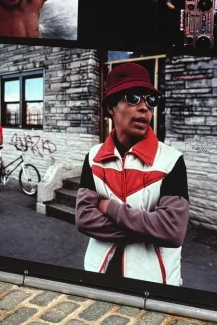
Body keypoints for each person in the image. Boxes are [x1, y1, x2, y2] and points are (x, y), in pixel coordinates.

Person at [75, 62, 189, 285]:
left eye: (151, 100)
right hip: (98, 274)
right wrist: (148, 227)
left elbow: (172, 230)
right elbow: (84, 219)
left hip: (153, 283)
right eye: (133, 97)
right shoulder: (93, 157)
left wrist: (110, 208)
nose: (145, 107)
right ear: (111, 108)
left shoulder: (171, 160)